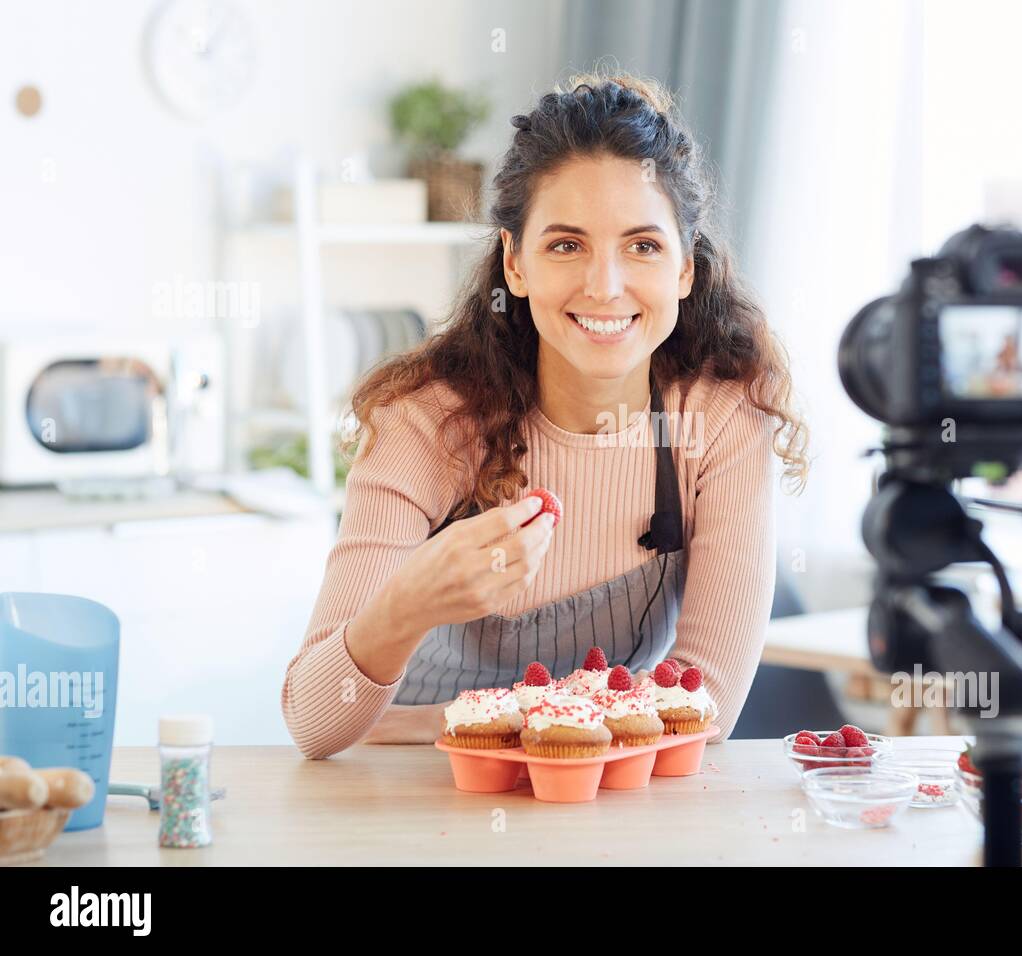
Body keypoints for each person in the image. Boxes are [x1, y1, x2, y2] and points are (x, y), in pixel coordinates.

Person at [281, 71, 808, 759]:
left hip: (605, 791)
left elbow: (702, 710)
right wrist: (408, 603)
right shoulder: (424, 420)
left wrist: (557, 742)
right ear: (516, 262)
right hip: (416, 788)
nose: (604, 285)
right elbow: (314, 725)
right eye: (566, 244)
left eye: (642, 246)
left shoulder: (720, 414)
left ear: (685, 268)